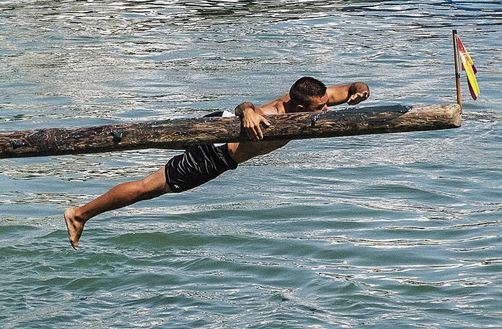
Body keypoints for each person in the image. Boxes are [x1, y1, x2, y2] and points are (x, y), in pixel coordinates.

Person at [64, 77, 370, 249]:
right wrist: (247, 112)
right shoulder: (275, 116)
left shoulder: (309, 99)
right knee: (148, 188)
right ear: (300, 107)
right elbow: (247, 107)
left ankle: (93, 149)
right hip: (214, 154)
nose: (326, 110)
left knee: (151, 140)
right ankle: (79, 214)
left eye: (326, 104)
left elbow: (349, 88)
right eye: (319, 108)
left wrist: (361, 91)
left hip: (215, 122)